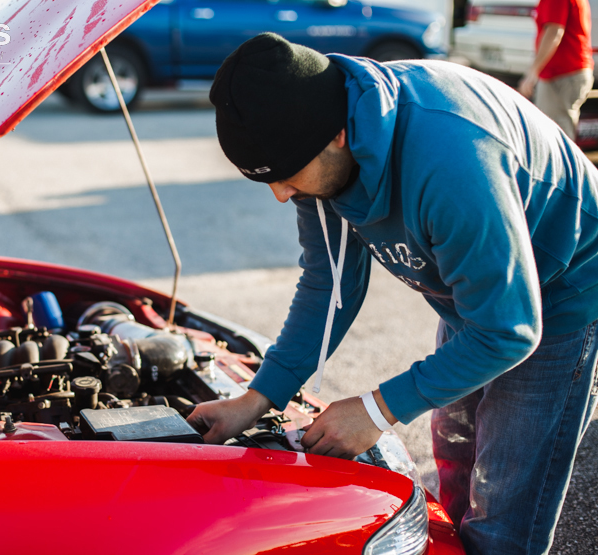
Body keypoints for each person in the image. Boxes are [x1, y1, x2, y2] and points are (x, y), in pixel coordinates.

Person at [187, 33, 598, 555]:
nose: (281, 193)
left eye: (288, 176)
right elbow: (327, 287)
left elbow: (507, 329)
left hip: (558, 291)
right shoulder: (311, 141)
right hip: (475, 293)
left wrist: (377, 410)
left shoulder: (452, 162)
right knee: (457, 462)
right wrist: (258, 396)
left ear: (337, 135)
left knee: (504, 506)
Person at [518, 0, 593, 139]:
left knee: (554, 135)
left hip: (561, 74)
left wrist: (533, 72)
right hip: (571, 71)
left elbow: (554, 32)